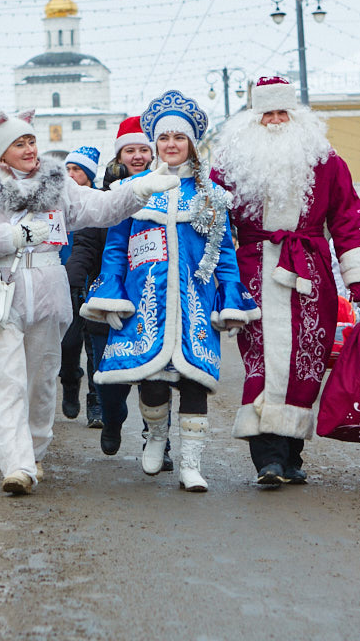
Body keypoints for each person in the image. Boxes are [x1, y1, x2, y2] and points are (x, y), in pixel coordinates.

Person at [0, 109, 179, 495]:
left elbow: (99, 208)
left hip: (49, 290)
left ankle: (34, 451)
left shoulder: (58, 183)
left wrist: (141, 188)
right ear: (2, 153)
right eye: (19, 144)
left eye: (31, 141)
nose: (29, 149)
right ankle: (17, 464)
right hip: (2, 291)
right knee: (6, 380)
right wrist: (13, 236)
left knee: (40, 383)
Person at [83, 92, 259, 492]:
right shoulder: (134, 188)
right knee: (152, 379)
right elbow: (114, 248)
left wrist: (230, 296)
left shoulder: (212, 194)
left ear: (192, 144)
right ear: (155, 144)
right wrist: (112, 294)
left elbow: (225, 251)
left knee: (196, 381)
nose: (172, 145)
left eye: (180, 138)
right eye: (165, 139)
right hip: (148, 300)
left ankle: (192, 464)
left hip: (195, 302)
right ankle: (157, 436)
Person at [211, 76, 360, 487]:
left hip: (310, 273)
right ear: (254, 117)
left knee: (307, 359)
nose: (275, 120)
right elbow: (210, 220)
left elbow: (348, 217)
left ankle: (291, 453)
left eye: (282, 112)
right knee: (262, 360)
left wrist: (358, 277)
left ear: (296, 116)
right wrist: (211, 275)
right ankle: (267, 457)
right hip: (253, 271)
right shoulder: (231, 164)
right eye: (267, 112)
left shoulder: (326, 160)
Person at [66, 116, 166, 459]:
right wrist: (73, 277)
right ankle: (111, 419)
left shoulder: (164, 190)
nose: (137, 156)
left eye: (143, 150)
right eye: (130, 150)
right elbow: (87, 245)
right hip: (107, 295)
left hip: (152, 293)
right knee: (110, 376)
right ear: (118, 155)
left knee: (156, 373)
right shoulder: (103, 196)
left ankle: (157, 440)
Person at [59, 145, 102, 425]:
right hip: (64, 281)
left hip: (94, 281)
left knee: (95, 346)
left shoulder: (99, 201)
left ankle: (95, 401)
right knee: (69, 343)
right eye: (69, 169)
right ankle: (70, 381)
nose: (72, 174)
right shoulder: (55, 202)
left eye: (78, 170)